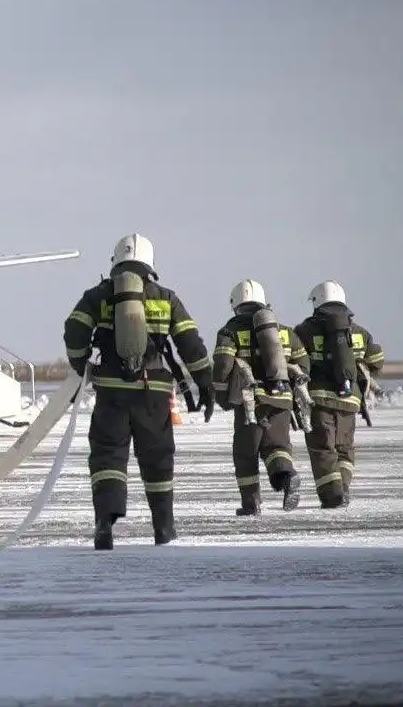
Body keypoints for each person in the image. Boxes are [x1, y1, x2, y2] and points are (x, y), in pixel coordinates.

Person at [62, 233, 213, 550]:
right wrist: (205, 383)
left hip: (111, 393)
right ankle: (164, 528)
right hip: (153, 392)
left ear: (115, 261)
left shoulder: (98, 295)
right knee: (158, 458)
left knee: (108, 456)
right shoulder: (166, 297)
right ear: (150, 262)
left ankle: (105, 522)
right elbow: (190, 343)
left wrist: (80, 364)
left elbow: (74, 329)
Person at [211, 280, 308, 516]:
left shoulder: (230, 331)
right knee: (277, 447)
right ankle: (287, 477)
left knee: (246, 453)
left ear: (235, 304)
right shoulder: (284, 332)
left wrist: (222, 396)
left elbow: (223, 365)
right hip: (281, 400)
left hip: (249, 403)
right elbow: (304, 364)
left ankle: (251, 503)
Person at [292, 280, 384, 508]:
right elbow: (377, 361)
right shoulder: (360, 332)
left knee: (322, 447)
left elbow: (295, 359)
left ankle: (333, 496)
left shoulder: (304, 331)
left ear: (316, 301)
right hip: (349, 401)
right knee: (344, 448)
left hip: (318, 401)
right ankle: (343, 488)